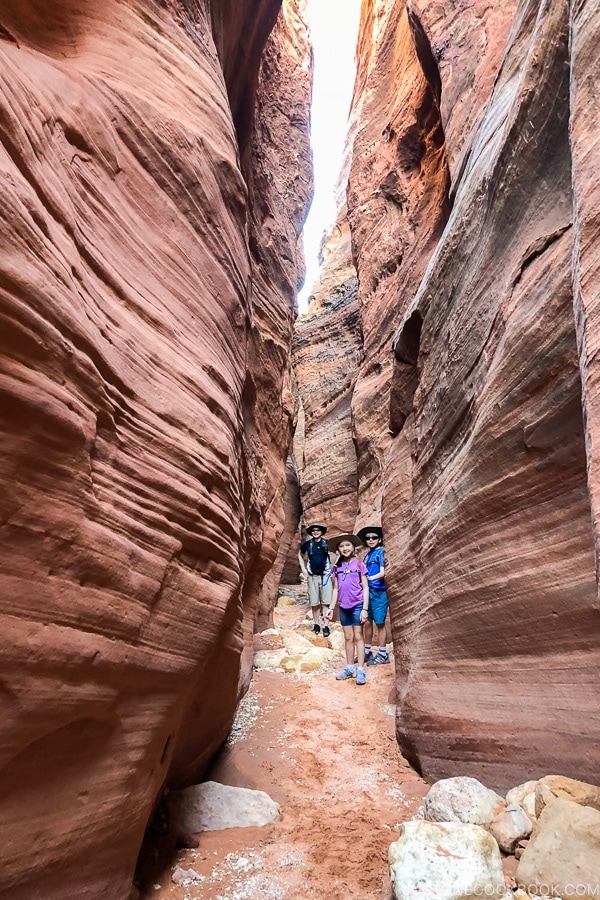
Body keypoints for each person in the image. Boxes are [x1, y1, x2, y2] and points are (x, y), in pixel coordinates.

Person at [325, 533, 369, 685]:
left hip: (357, 605)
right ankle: (350, 667)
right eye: (341, 546)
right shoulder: (337, 567)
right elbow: (336, 589)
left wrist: (365, 609)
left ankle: (360, 669)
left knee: (358, 636)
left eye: (347, 545)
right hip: (344, 607)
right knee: (348, 637)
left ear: (353, 546)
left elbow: (365, 587)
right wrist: (331, 607)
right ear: (338, 549)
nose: (345, 548)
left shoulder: (359, 565)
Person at [357, 525, 390, 665]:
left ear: (380, 539)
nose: (370, 540)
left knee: (380, 623)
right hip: (368, 591)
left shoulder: (380, 552)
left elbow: (383, 572)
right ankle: (367, 651)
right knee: (368, 622)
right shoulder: (367, 555)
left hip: (379, 591)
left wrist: (370, 579)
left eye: (374, 537)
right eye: (368, 538)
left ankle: (383, 653)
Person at [298, 523, 333, 637]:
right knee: (314, 603)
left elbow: (336, 553)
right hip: (313, 577)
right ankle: (316, 624)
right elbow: (300, 554)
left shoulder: (327, 544)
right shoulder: (308, 544)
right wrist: (303, 568)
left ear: (321, 532)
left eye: (318, 530)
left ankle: (326, 625)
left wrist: (332, 569)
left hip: (325, 576)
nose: (316, 532)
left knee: (325, 602)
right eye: (313, 530)